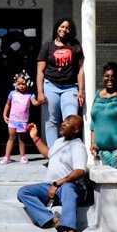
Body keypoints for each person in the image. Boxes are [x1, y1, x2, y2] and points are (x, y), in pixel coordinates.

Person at [17, 115, 87, 232]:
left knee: (67, 187)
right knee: (23, 192)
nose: (63, 124)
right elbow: (48, 153)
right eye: (63, 121)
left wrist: (58, 183)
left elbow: (80, 171)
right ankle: (54, 219)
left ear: (76, 129)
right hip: (50, 186)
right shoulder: (59, 142)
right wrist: (35, 137)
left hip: (71, 188)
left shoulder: (78, 146)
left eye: (68, 123)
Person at [36, 18, 85, 147]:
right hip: (50, 86)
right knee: (51, 121)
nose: (64, 30)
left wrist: (81, 90)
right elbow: (40, 71)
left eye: (67, 28)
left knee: (71, 120)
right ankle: (54, 153)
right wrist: (40, 92)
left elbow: (80, 70)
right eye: (62, 26)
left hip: (70, 88)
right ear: (57, 27)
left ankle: (69, 151)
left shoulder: (75, 47)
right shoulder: (48, 46)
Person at [0, 70, 40, 164]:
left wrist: (41, 101)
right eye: (19, 84)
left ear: (28, 84)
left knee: (22, 139)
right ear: (15, 84)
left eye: (23, 84)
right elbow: (8, 105)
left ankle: (22, 156)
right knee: (11, 138)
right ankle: (7, 157)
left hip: (23, 121)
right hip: (13, 120)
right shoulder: (12, 94)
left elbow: (34, 103)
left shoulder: (30, 95)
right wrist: (4, 114)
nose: (21, 86)